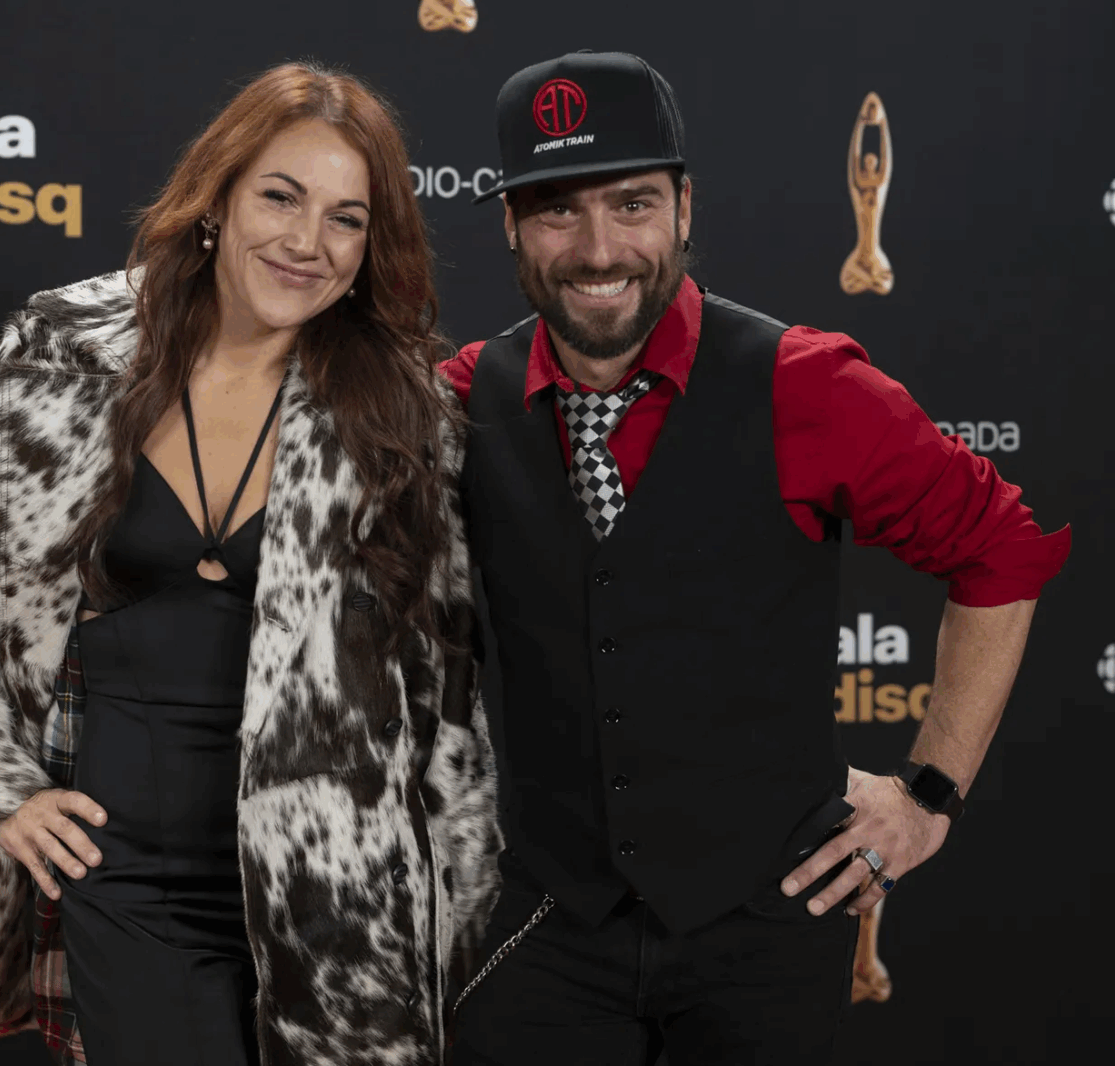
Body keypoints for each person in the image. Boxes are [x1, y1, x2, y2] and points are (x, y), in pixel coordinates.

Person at [439, 51, 1071, 1064]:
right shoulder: (457, 400)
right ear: (509, 223)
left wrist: (930, 795)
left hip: (765, 932)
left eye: (633, 203)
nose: (599, 248)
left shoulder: (806, 386)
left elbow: (1003, 550)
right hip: (540, 932)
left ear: (685, 208)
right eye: (557, 210)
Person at [0, 61, 501, 1066]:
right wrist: (3, 789)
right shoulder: (63, 352)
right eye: (281, 197)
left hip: (337, 894)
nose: (307, 242)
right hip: (126, 883)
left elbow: (448, 679)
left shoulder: (405, 411)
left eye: (347, 218)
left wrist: (455, 894)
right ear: (216, 194)